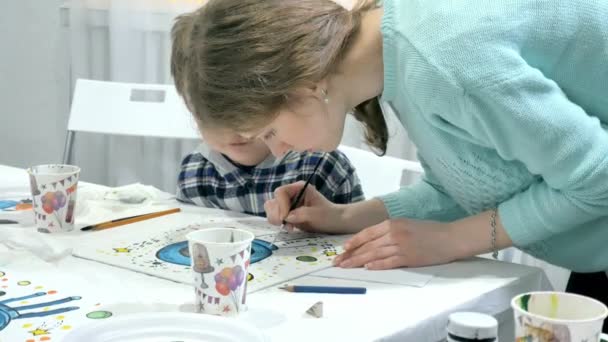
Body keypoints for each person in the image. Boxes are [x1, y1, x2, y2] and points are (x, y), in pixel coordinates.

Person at [177, 0, 608, 328]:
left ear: (305, 89)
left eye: (269, 131)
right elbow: (467, 183)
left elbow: (597, 176)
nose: (277, 151)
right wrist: (344, 217)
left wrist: (451, 240)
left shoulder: (445, 60)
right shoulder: (398, 51)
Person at [170, 10, 364, 217]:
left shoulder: (320, 163)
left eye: (245, 114)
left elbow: (360, 236)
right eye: (213, 117)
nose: (238, 132)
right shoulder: (194, 174)